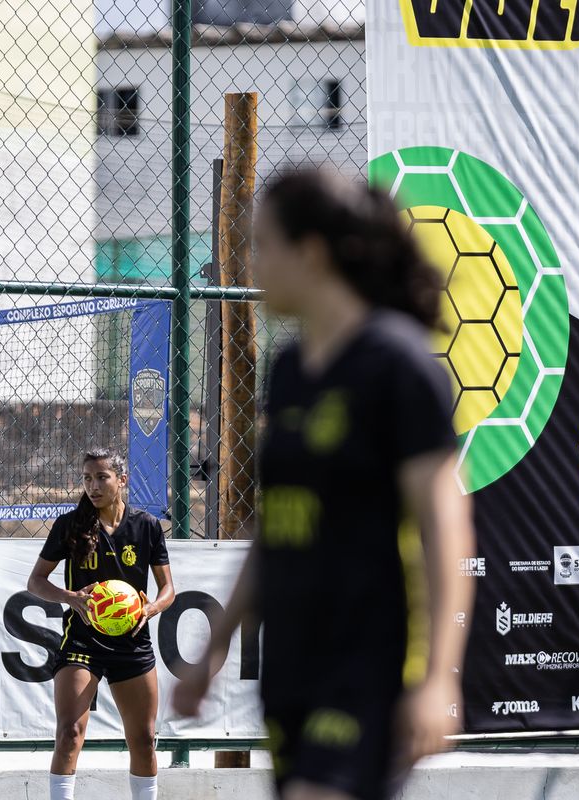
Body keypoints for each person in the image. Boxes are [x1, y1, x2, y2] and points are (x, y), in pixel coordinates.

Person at [172, 170, 476, 800]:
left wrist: (439, 678)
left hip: (366, 660)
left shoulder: (399, 363)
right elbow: (275, 526)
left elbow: (447, 530)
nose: (253, 260)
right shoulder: (288, 371)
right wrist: (214, 649)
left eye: (263, 245)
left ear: (310, 253)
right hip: (290, 667)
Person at [27, 447, 176, 800]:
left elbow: (169, 588)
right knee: (70, 733)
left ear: (121, 480)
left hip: (132, 643)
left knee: (143, 739)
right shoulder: (70, 526)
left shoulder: (147, 527)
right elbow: (36, 581)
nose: (93, 486)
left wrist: (150, 609)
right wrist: (71, 598)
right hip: (82, 642)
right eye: (87, 478)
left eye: (102, 478)